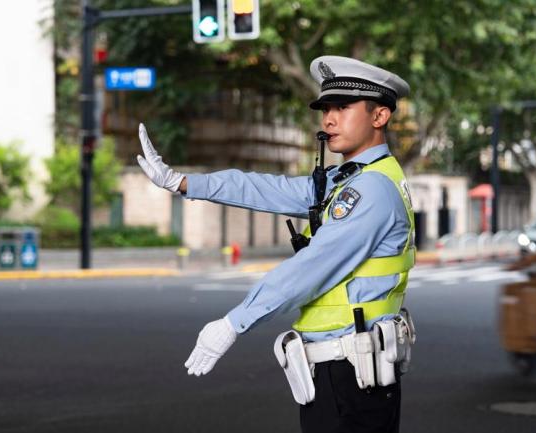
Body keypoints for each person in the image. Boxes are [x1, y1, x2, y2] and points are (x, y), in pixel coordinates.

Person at [137, 56, 415, 433]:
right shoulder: (351, 178)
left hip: (351, 377)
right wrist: (182, 182)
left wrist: (235, 322)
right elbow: (265, 188)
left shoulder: (370, 190)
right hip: (345, 373)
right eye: (326, 109)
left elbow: (311, 268)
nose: (329, 120)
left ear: (379, 116)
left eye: (343, 108)